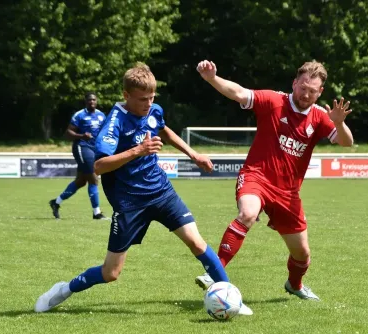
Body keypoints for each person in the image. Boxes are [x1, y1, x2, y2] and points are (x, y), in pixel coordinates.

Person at [35, 63, 253, 315]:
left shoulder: (153, 110)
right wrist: (137, 151)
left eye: (152, 97)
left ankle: (231, 296)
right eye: (142, 99)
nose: (148, 103)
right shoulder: (114, 122)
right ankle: (65, 289)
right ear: (126, 96)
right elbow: (99, 166)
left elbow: (162, 128)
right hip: (129, 203)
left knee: (196, 242)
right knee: (111, 273)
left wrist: (193, 154)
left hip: (161, 191)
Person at [193, 59, 354, 301]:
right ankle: (215, 272)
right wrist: (212, 79)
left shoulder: (320, 116)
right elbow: (238, 92)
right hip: (256, 176)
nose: (306, 94)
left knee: (302, 253)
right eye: (303, 87)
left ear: (320, 92)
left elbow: (346, 142)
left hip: (288, 193)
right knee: (247, 213)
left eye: (312, 91)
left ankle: (295, 285)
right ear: (294, 83)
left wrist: (339, 123)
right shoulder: (273, 100)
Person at [49, 92, 107, 220]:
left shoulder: (101, 116)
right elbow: (68, 133)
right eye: (89, 100)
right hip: (82, 147)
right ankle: (96, 213)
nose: (92, 102)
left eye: (94, 100)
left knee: (80, 182)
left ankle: (56, 202)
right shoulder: (79, 115)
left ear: (97, 101)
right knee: (93, 178)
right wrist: (82, 136)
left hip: (94, 149)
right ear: (85, 102)